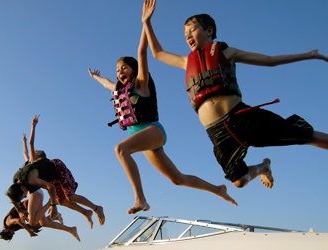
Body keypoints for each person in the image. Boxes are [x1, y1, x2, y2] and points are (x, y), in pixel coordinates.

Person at [141, 0, 328, 189]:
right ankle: (263, 167)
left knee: (303, 135)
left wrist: (308, 55)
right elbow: (158, 53)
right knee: (237, 181)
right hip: (216, 131)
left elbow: (270, 61)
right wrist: (147, 23)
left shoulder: (226, 52)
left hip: (241, 117)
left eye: (192, 29)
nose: (187, 35)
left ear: (209, 30)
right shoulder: (187, 61)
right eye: (185, 33)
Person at [88, 26, 237, 214]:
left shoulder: (141, 85)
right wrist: (95, 76)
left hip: (153, 131)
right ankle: (218, 189)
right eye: (117, 70)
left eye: (123, 67)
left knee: (121, 149)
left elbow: (142, 51)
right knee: (177, 179)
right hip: (145, 141)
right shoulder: (119, 89)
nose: (119, 72)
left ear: (134, 69)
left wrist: (145, 22)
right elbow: (106, 83)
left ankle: (140, 199)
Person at [7, 115, 105, 228]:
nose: (26, 197)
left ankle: (96, 208)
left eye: (24, 195)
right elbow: (12, 197)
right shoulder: (16, 181)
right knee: (62, 201)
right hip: (51, 178)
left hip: (58, 168)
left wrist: (53, 206)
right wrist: (19, 210)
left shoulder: (31, 175)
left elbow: (51, 188)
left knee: (70, 197)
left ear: (23, 189)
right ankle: (86, 212)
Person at [0, 190, 80, 242]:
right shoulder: (13, 228)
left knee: (35, 223)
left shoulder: (7, 223)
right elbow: (26, 225)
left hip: (26, 205)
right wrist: (33, 229)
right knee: (40, 224)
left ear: (6, 231)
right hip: (29, 208)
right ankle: (58, 219)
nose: (13, 234)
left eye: (11, 234)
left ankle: (51, 202)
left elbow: (18, 220)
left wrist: (29, 231)